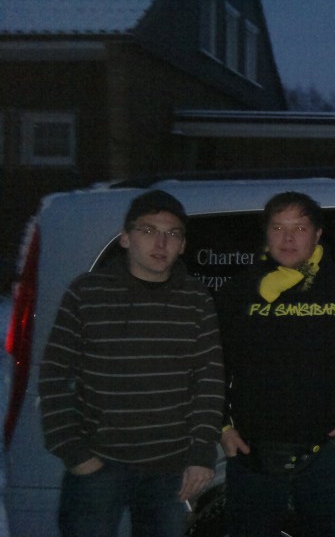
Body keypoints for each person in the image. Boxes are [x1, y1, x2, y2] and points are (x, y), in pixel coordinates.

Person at [38, 189, 224, 536]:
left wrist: (201, 454)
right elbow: (53, 376)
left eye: (172, 233)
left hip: (171, 470)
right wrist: (75, 453)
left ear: (183, 245)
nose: (161, 242)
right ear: (126, 238)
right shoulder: (87, 293)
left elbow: (209, 380)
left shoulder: (195, 298)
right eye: (148, 230)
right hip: (99, 463)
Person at [217, 191, 335, 537]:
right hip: (251, 455)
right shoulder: (238, 292)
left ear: (318, 234)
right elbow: (212, 366)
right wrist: (221, 426)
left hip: (324, 455)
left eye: (299, 228)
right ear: (266, 234)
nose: (288, 238)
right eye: (278, 228)